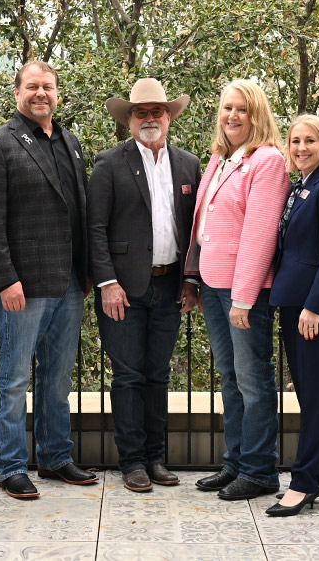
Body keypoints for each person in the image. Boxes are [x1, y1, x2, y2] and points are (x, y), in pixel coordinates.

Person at [0, 61, 98, 499]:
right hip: (22, 285)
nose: (40, 93)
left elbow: (79, 209)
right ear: (17, 92)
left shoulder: (69, 141)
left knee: (58, 379)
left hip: (69, 282)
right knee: (13, 379)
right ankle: (10, 466)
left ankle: (55, 457)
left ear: (56, 93)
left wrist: (86, 272)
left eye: (48, 86)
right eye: (32, 86)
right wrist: (5, 280)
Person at [87, 79, 202, 493]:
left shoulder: (189, 164)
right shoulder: (109, 163)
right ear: (130, 119)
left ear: (169, 117)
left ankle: (155, 458)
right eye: (141, 112)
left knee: (158, 374)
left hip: (170, 286)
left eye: (157, 111)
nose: (149, 118)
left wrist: (191, 280)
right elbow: (94, 229)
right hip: (122, 289)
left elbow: (194, 228)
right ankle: (132, 461)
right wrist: (107, 282)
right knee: (128, 376)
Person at [187, 80, 290, 500]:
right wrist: (194, 279)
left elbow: (260, 234)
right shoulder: (221, 157)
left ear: (257, 115)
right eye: (228, 107)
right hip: (213, 284)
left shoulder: (268, 160)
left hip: (242, 290)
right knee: (230, 377)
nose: (233, 115)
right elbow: (204, 223)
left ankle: (260, 470)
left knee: (253, 379)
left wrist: (244, 297)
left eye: (242, 109)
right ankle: (236, 462)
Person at [265, 115, 319, 517]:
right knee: (311, 393)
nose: (302, 148)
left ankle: (302, 482)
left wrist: (315, 306)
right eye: (295, 141)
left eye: (310, 141)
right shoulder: (299, 186)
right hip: (293, 302)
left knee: (315, 394)